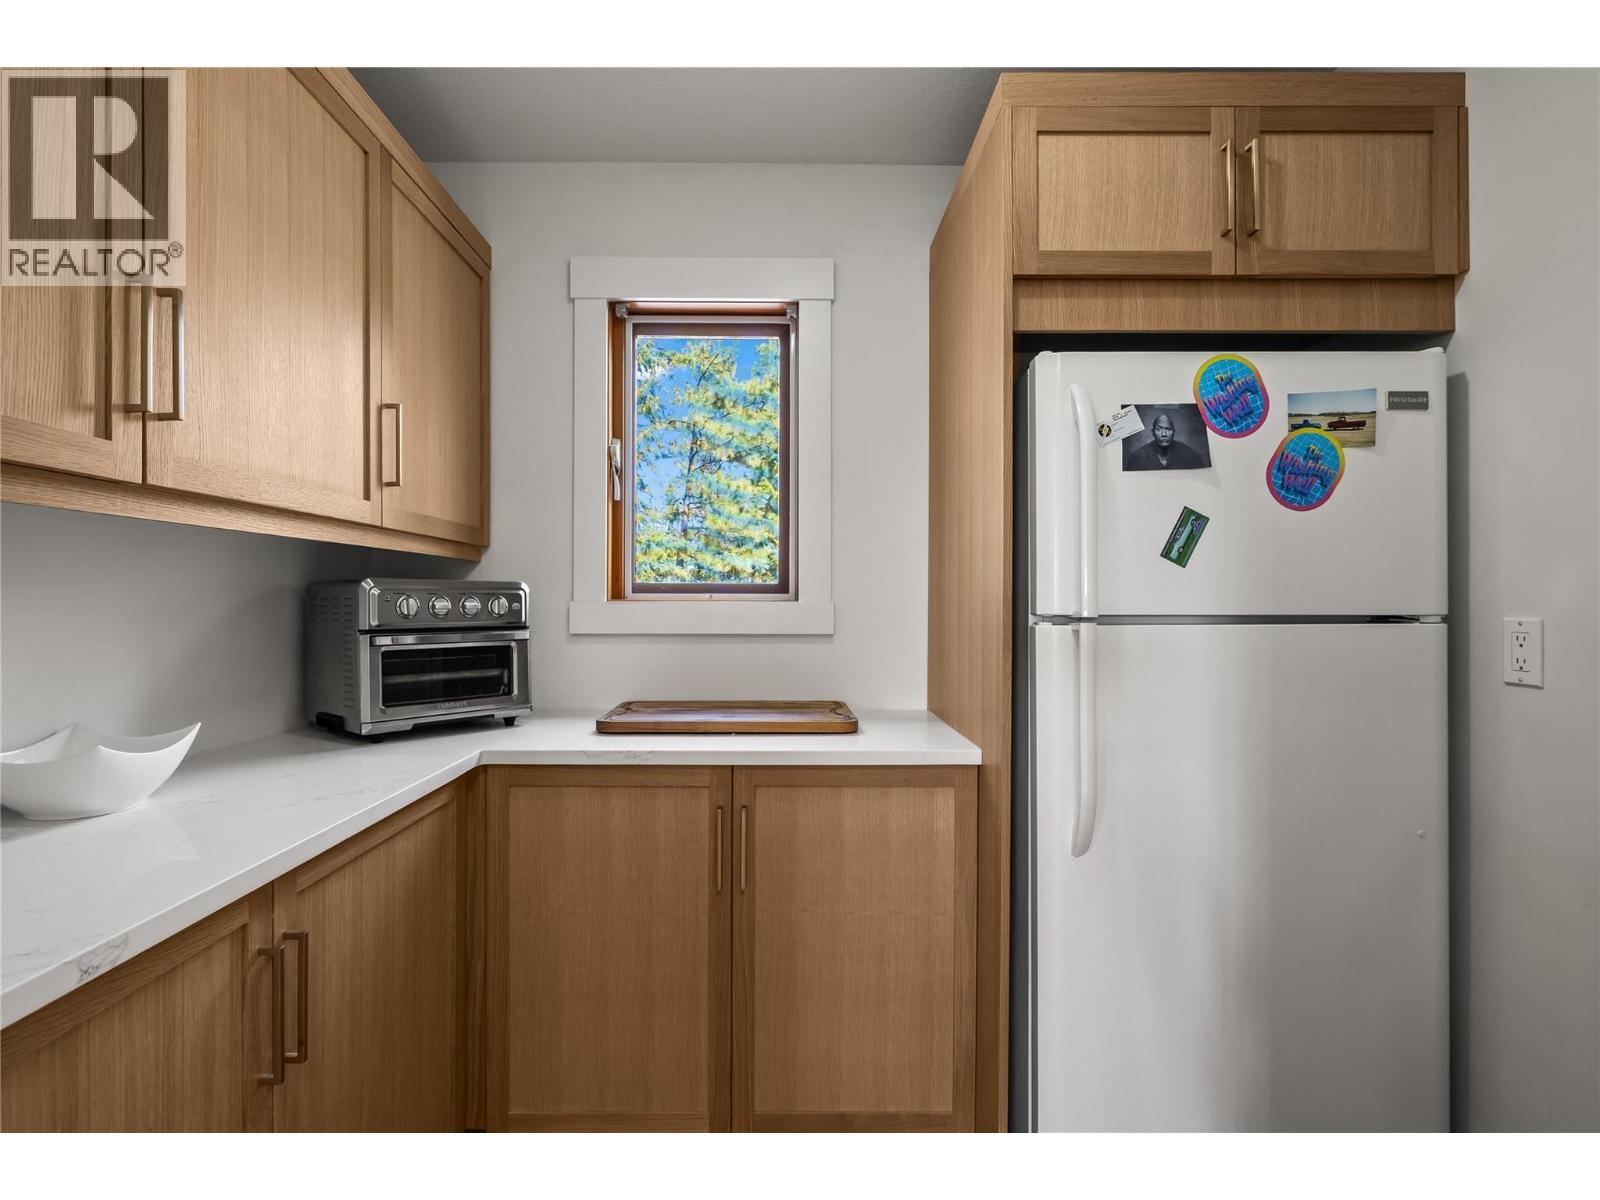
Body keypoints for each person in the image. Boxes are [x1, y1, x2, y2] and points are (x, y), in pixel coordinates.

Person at [1125, 412, 1205, 470]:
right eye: (1158, 429)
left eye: (1168, 429)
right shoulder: (1137, 457)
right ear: (1153, 432)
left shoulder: (1190, 456)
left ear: (1173, 432)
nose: (1164, 434)